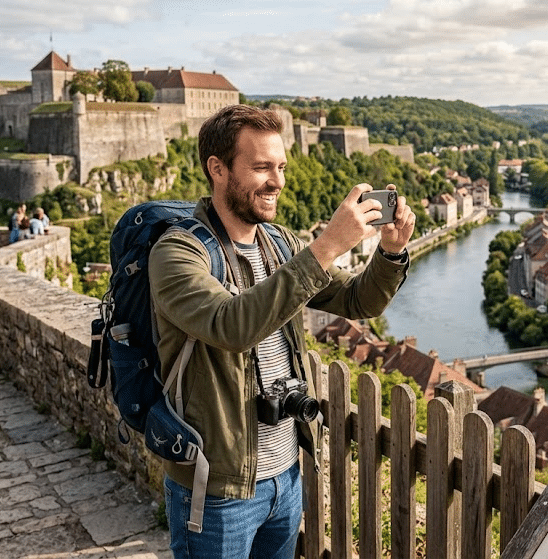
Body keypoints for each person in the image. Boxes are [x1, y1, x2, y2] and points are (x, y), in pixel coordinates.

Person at [149, 104, 414, 559]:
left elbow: (357, 301)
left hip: (285, 475)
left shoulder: (280, 244)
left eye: (281, 167)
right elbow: (233, 327)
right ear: (217, 169)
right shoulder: (177, 253)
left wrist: (390, 253)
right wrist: (328, 244)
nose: (278, 181)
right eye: (261, 168)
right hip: (217, 489)